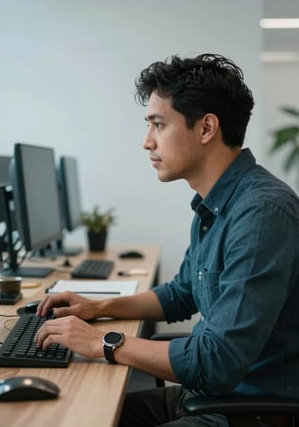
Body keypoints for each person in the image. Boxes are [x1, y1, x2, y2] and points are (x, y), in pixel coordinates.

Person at [35, 53, 299, 426]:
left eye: (158, 125)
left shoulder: (261, 214)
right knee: (75, 413)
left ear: (206, 128)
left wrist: (105, 343)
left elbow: (218, 363)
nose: (147, 142)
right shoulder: (217, 204)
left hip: (249, 411)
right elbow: (182, 293)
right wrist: (95, 308)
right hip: (213, 397)